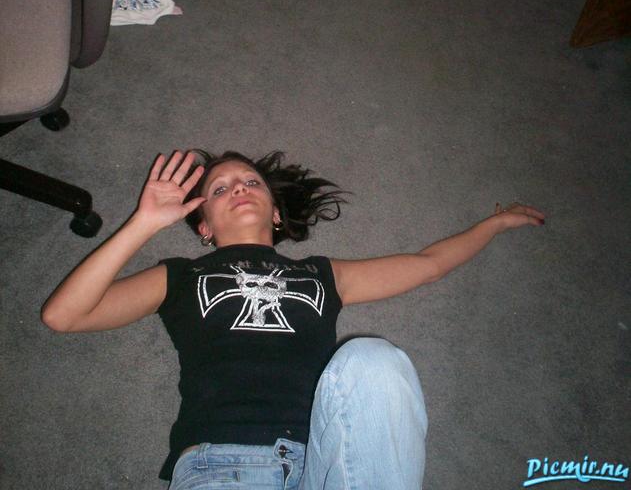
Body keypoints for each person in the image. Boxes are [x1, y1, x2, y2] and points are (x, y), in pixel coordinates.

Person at [41, 149, 545, 490]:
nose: (238, 189)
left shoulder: (322, 275)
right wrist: (144, 222)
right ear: (203, 226)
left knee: (374, 361)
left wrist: (494, 223)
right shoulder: (180, 276)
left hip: (330, 459)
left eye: (250, 182)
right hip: (222, 464)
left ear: (276, 213)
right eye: (219, 189)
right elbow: (65, 315)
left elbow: (428, 265)